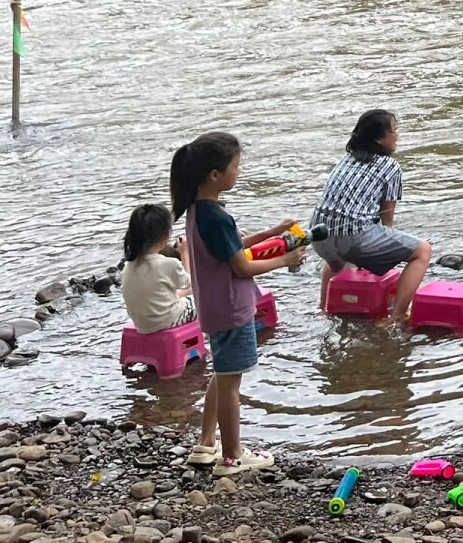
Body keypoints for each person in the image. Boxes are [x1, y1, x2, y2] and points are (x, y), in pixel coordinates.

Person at [169, 131, 307, 475]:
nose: (239, 171)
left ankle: (206, 443)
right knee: (231, 383)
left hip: (214, 307)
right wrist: (285, 260)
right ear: (215, 175)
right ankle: (232, 456)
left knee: (223, 373)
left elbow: (232, 245)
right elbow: (241, 265)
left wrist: (271, 233)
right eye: (236, 166)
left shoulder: (198, 210)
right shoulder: (216, 216)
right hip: (231, 309)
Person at [309, 109, 432, 326]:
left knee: (337, 258)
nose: (398, 135)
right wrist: (381, 252)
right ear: (378, 139)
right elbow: (387, 218)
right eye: (394, 130)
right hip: (353, 237)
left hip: (318, 235)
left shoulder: (345, 160)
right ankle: (396, 317)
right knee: (422, 251)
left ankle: (325, 308)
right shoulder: (390, 167)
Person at [121, 203, 194, 333]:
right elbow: (190, 283)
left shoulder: (128, 266)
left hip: (142, 326)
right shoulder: (168, 264)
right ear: (166, 235)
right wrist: (185, 254)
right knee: (205, 299)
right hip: (167, 321)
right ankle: (204, 338)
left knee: (177, 294)